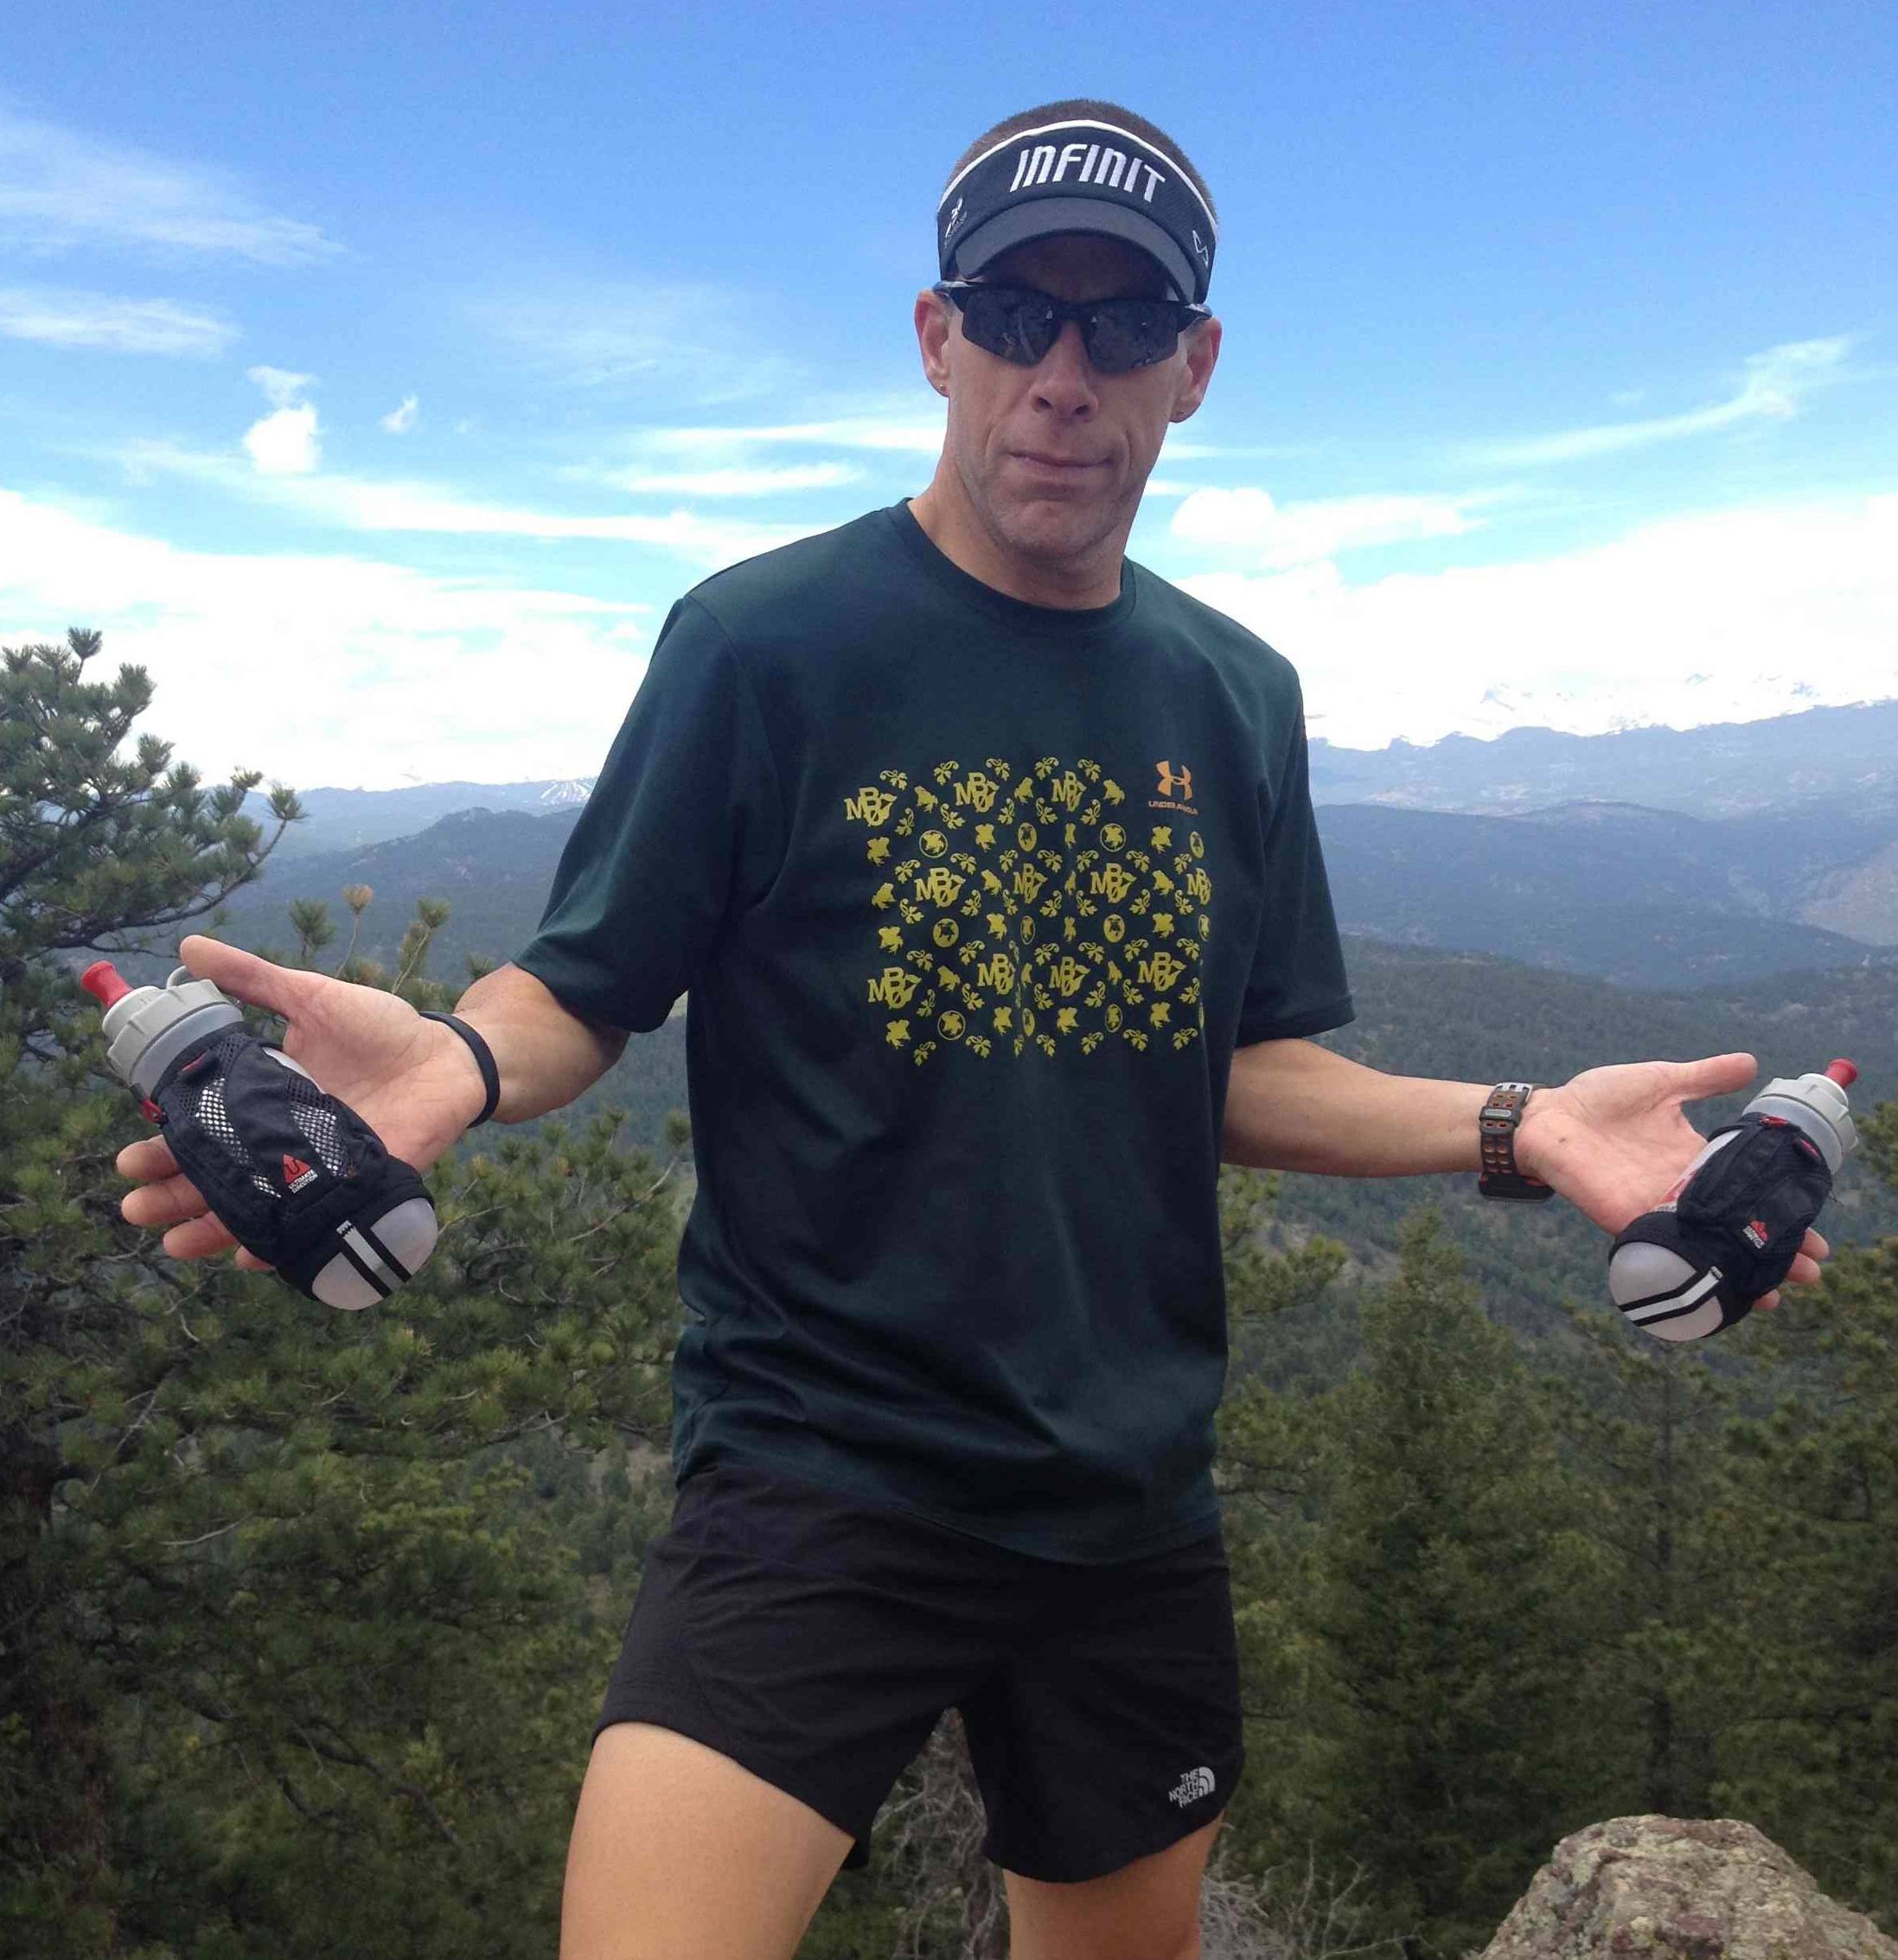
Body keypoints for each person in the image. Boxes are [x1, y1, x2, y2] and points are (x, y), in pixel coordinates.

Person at [114, 97, 1830, 1960]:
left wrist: (1531, 1123)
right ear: (939, 338)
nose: (1062, 377)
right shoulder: (765, 645)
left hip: (1126, 1502)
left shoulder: (1235, 694)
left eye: (1123, 323)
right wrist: (452, 1066)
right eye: (1017, 314)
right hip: (815, 1474)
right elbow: (587, 988)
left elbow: (1243, 1067)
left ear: (1195, 367)